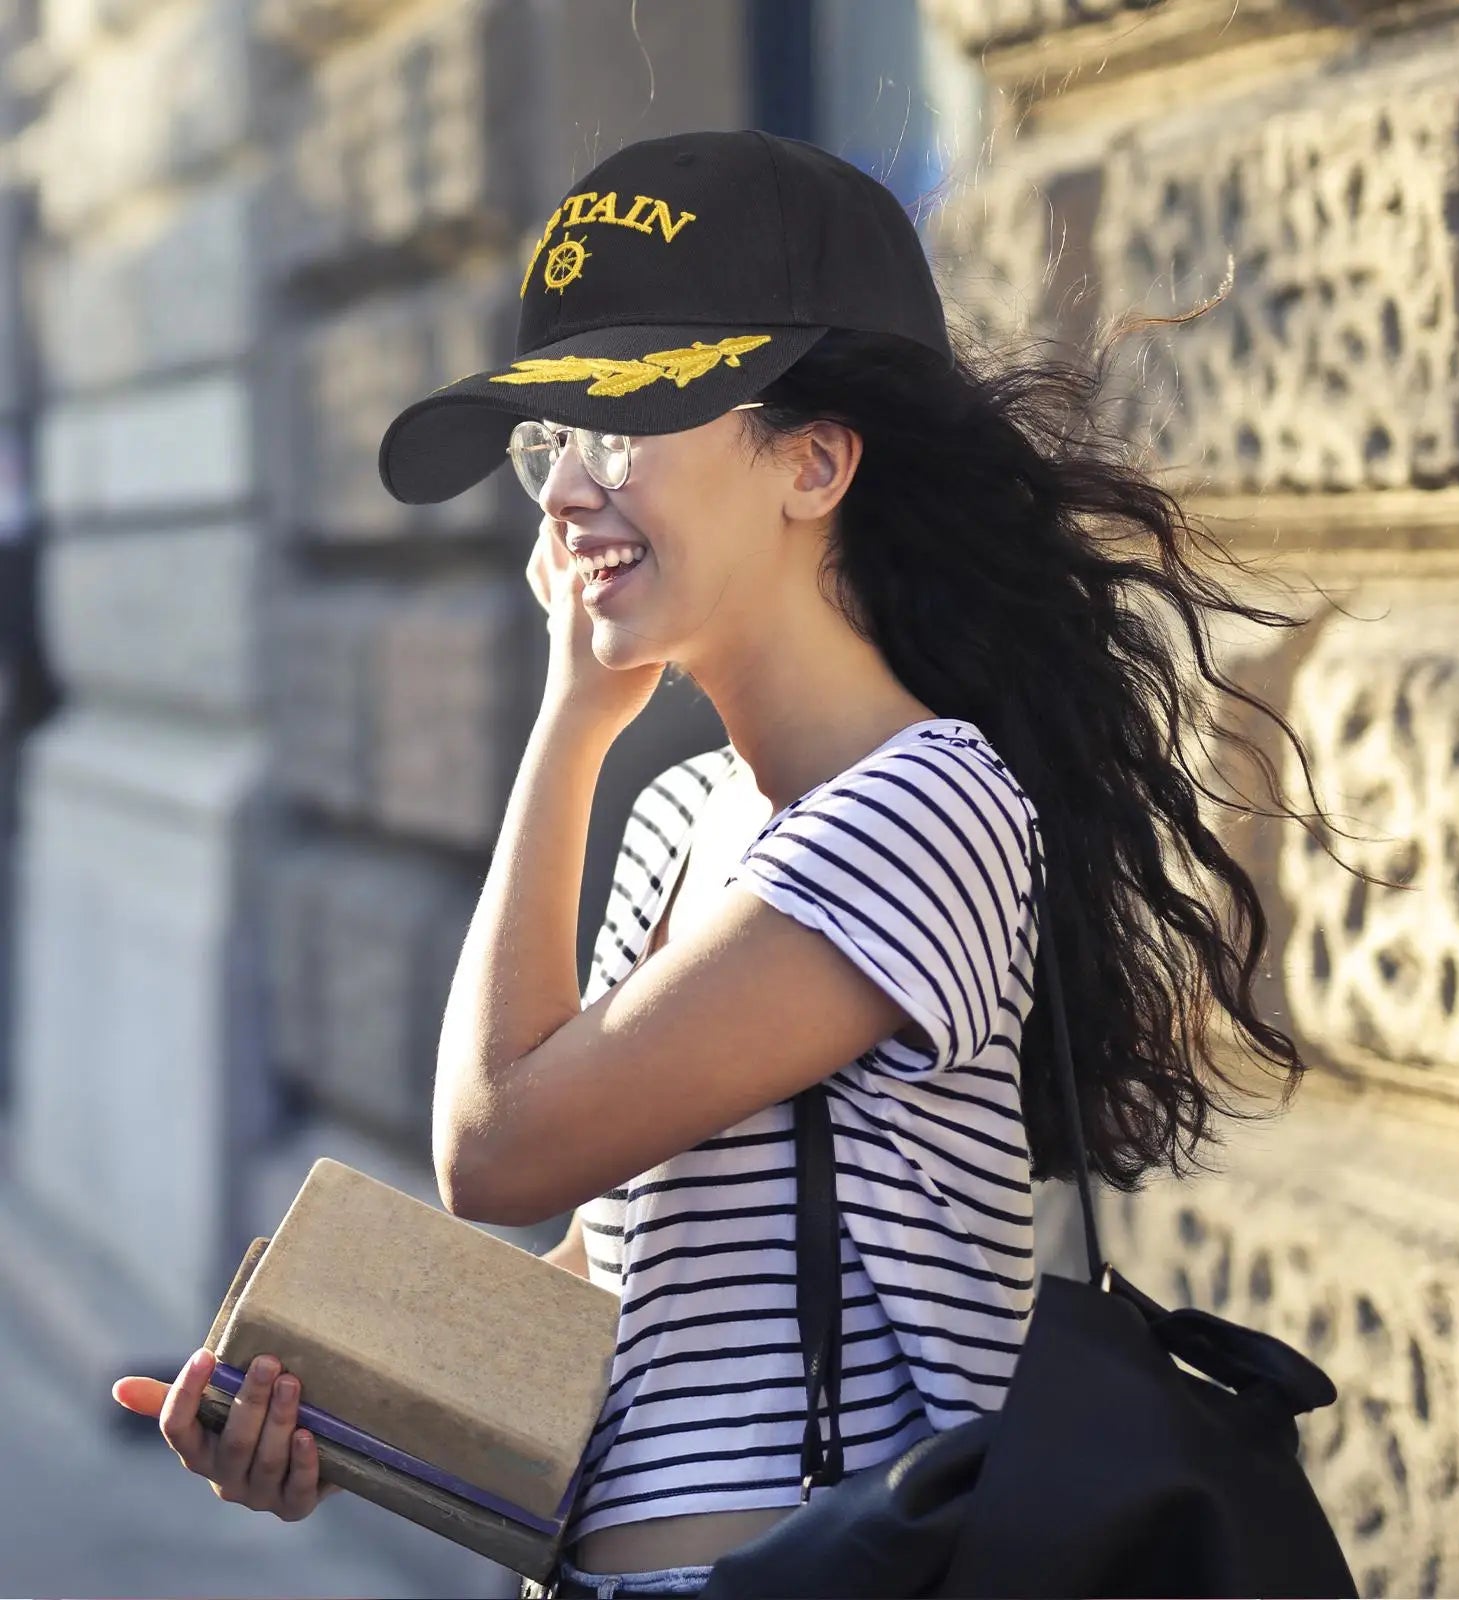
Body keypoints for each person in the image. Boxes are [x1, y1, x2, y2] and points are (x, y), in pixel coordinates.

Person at [115, 129, 1370, 1600]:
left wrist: (568, 722)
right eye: (550, 442)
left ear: (816, 461)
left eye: (624, 426)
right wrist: (333, 1403)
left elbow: (497, 1148)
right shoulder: (687, 819)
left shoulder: (926, 806)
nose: (566, 494)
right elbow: (619, 1273)